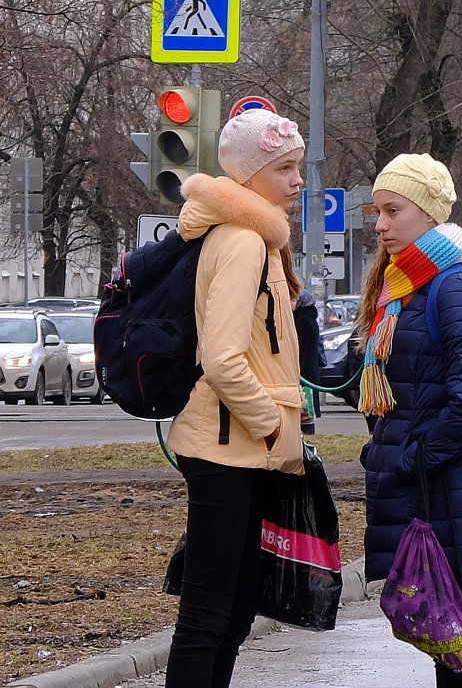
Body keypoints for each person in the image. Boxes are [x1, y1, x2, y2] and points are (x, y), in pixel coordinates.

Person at [357, 153, 462, 688]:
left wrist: (411, 455)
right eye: (376, 212)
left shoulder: (452, 286)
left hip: (447, 490)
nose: (380, 225)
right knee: (446, 639)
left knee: (457, 641)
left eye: (392, 211)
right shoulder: (404, 286)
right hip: (425, 487)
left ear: (427, 214)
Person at [164, 108, 306, 688]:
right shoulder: (244, 241)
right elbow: (222, 356)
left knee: (236, 609)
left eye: (299, 167)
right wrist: (271, 424)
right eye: (286, 168)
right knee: (208, 614)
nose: (299, 180)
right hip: (226, 447)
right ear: (249, 178)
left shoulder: (261, 240)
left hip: (244, 448)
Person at [292, 288, 322, 435]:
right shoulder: (309, 318)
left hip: (304, 373)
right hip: (310, 371)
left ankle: (308, 433)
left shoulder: (302, 321)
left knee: (305, 407)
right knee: (307, 408)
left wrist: (296, 370)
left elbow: (301, 350)